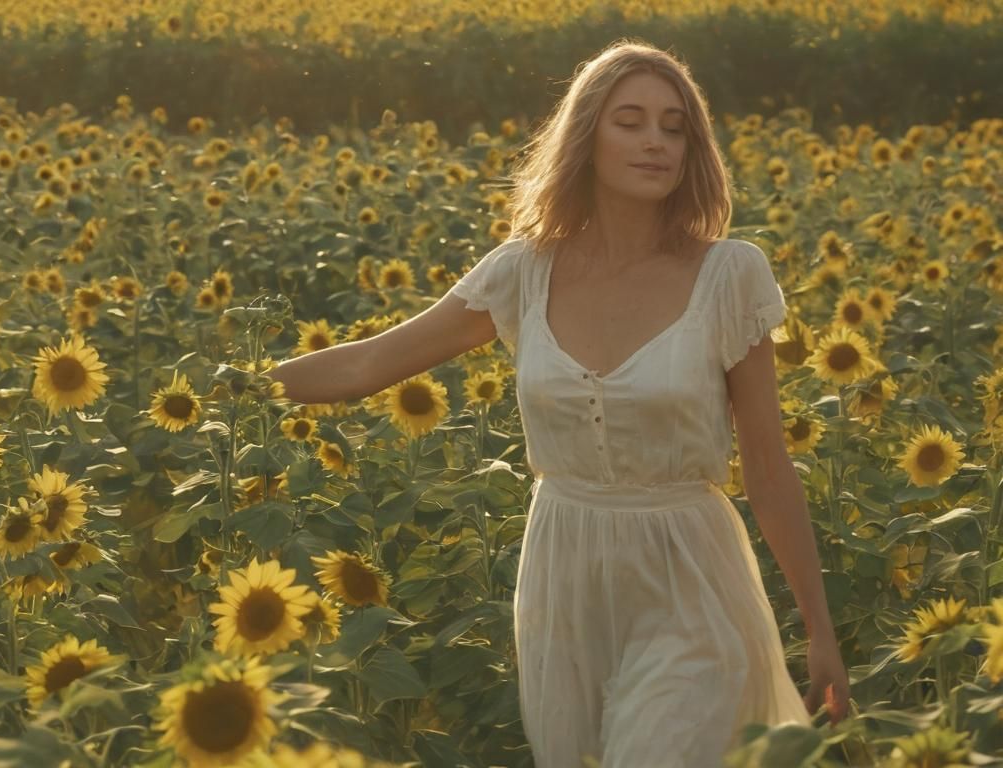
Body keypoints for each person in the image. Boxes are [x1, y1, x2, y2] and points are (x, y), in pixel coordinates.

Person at [268, 39, 851, 767]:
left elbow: (767, 469)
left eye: (675, 127)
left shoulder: (730, 274)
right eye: (630, 120)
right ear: (587, 136)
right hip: (562, 573)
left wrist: (819, 632)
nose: (655, 142)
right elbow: (373, 362)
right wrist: (242, 385)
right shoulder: (524, 272)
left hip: (692, 573)